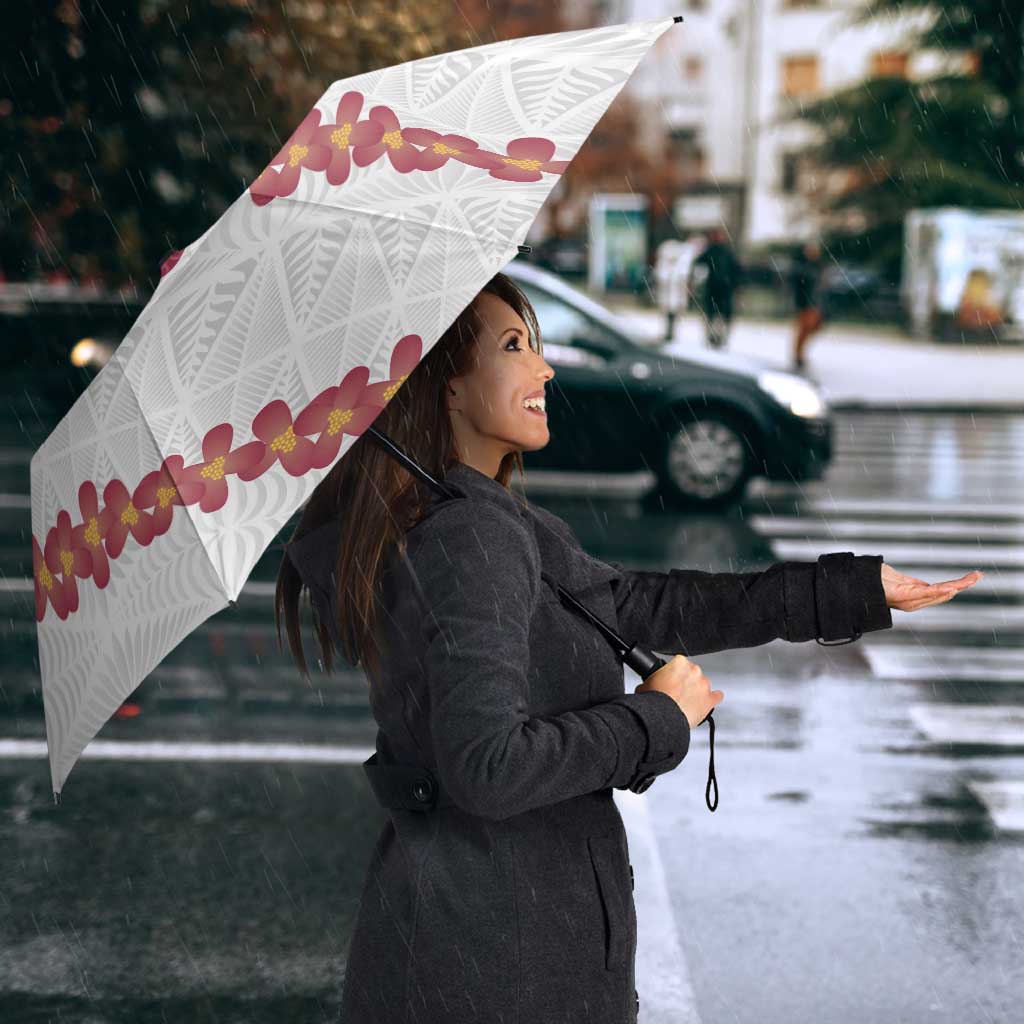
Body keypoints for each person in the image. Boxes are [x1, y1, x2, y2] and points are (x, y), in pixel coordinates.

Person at [275, 271, 972, 1024]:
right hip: (498, 963)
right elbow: (488, 767)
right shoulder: (468, 536)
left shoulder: (474, 518)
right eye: (515, 346)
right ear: (445, 385)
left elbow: (639, 605)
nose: (544, 368)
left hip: (481, 943)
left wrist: (850, 592)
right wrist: (657, 719)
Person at [692, 226, 742, 349]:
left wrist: (735, 284)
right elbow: (698, 264)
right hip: (715, 288)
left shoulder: (725, 252)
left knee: (720, 315)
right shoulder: (712, 251)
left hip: (723, 288)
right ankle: (713, 337)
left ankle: (719, 337)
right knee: (713, 314)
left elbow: (736, 270)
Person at [790, 239, 826, 370]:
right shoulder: (802, 267)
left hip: (814, 303)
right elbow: (799, 286)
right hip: (805, 303)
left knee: (812, 328)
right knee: (804, 329)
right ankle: (798, 355)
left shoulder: (817, 266)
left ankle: (799, 354)